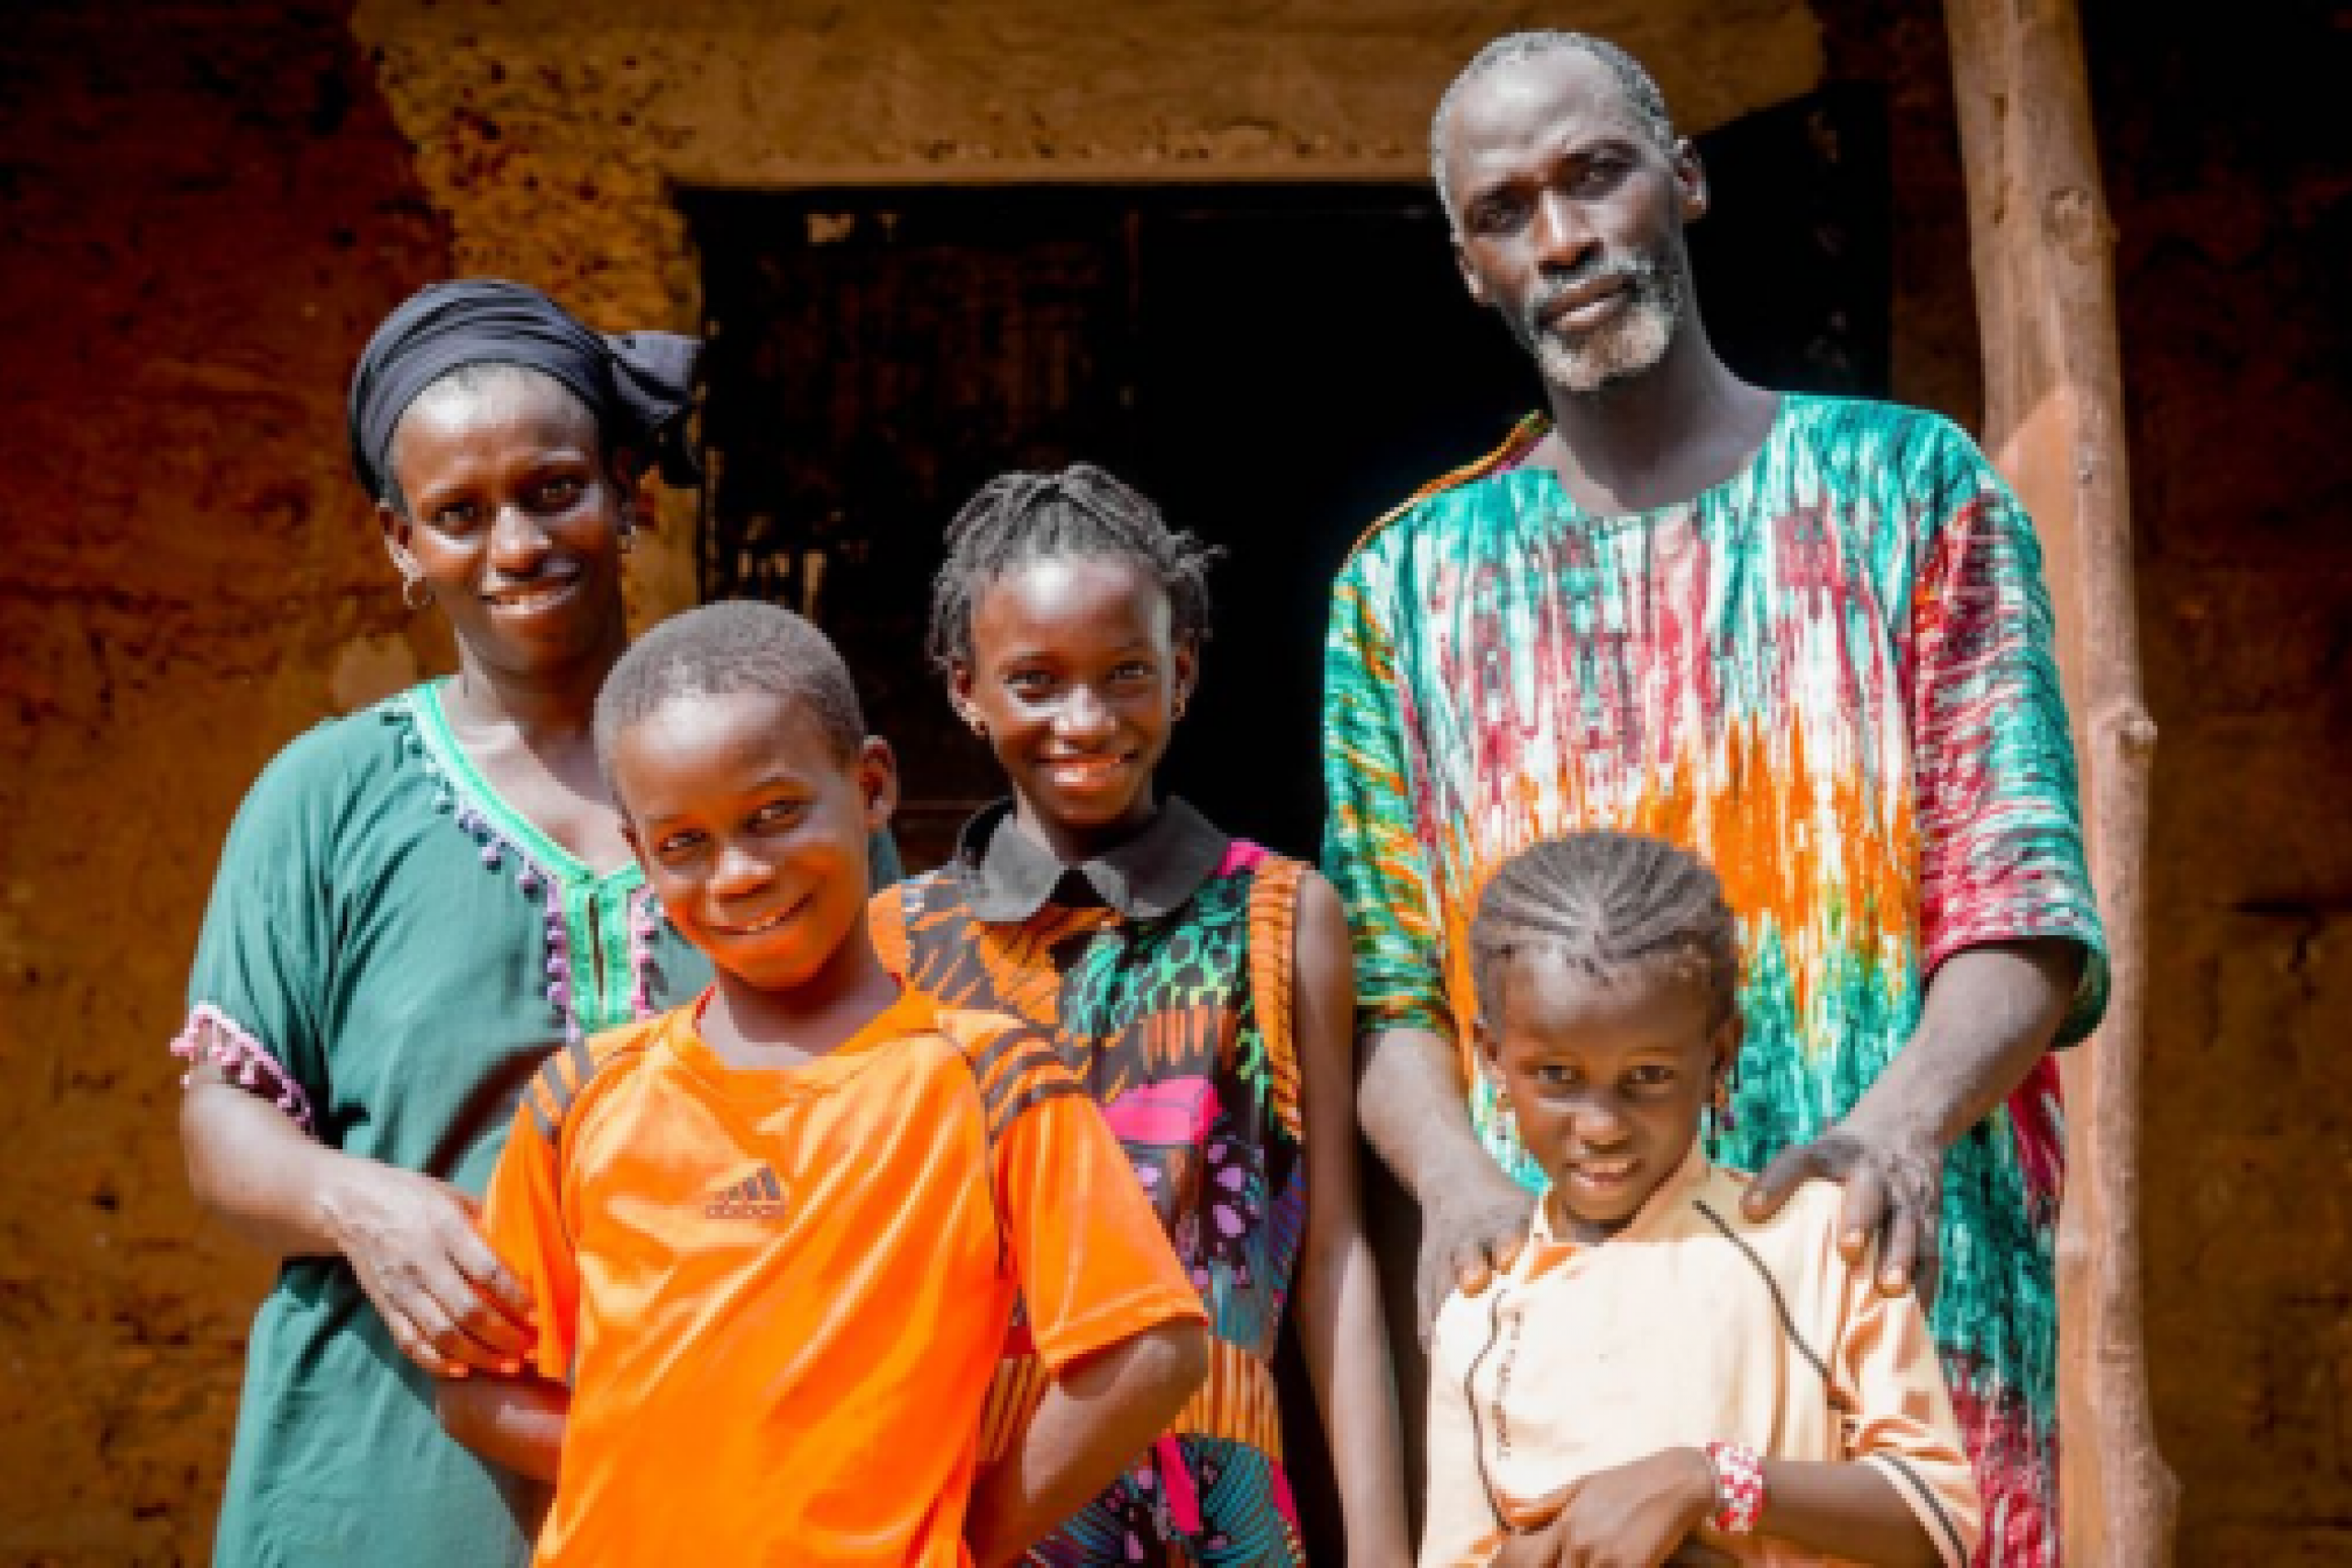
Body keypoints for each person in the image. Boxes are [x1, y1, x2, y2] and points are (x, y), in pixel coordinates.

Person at [1322, 33, 2106, 1561]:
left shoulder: (1911, 493)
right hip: (1578, 1345)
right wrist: (1462, 1180)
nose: (1562, 238)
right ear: (1473, 266)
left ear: (1680, 181)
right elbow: (1397, 1001)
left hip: (1895, 1316)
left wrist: (1897, 1130)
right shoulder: (1400, 587)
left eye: (1594, 173)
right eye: (1507, 211)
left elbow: (2024, 909)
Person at [438, 600, 1211, 1564]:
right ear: (639, 856)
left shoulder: (988, 1081)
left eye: (772, 816)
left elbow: (1149, 1348)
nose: (737, 874)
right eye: (683, 844)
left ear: (871, 786)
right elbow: (476, 1384)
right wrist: (674, 1459)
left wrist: (963, 1528)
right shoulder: (586, 1095)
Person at [174, 278, 718, 1564]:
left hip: (721, 1446)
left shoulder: (755, 770)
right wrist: (359, 1200)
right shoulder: (327, 793)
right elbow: (220, 1121)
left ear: (630, 485)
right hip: (387, 1469)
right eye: (458, 514)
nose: (516, 544)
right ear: (398, 541)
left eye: (552, 488)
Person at [871, 466, 1410, 1564]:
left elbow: (1333, 1260)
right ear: (964, 689)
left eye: (1126, 674)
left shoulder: (1280, 914)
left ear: (1183, 673)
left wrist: (1383, 1551)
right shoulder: (898, 943)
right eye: (1036, 681)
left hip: (1215, 1510)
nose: (1087, 719)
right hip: (973, 1499)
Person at [1422, 832, 1980, 1568]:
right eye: (1556, 1074)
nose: (1600, 1125)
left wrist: (1711, 1479)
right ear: (1491, 1057)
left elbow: (1936, 1516)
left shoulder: (1816, 1242)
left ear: (1717, 1056)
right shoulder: (1480, 1311)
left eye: (1647, 1076)